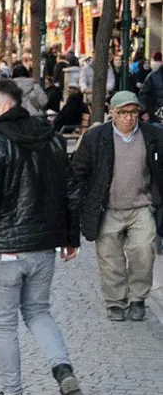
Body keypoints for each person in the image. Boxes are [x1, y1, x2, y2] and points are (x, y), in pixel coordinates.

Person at [0, 79, 86, 395]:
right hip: (43, 247)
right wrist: (70, 238)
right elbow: (72, 192)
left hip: (5, 251)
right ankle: (62, 370)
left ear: (4, 106)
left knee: (3, 325)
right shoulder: (52, 139)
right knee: (39, 312)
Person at [72, 91, 163, 322]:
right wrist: (79, 205)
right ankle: (115, 302)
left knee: (143, 251)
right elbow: (78, 172)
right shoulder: (96, 137)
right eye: (122, 112)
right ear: (111, 113)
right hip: (108, 207)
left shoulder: (153, 135)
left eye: (133, 112)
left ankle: (137, 299)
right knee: (110, 257)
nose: (128, 117)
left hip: (142, 206)